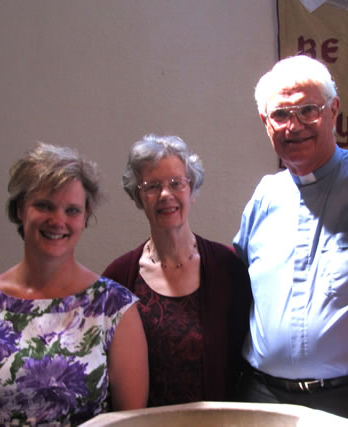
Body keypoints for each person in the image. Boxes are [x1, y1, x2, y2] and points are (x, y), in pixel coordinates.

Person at [232, 55, 348, 426]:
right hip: (263, 398)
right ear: (265, 122)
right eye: (281, 115)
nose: (295, 126)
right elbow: (236, 280)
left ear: (334, 110)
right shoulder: (264, 195)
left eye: (308, 110)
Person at [0, 143, 149, 426]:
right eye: (44, 206)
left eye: (72, 210)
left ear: (85, 216)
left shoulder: (115, 307)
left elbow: (130, 422)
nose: (58, 220)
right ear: (19, 210)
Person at [103, 134, 252, 406]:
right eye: (152, 186)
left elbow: (247, 362)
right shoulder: (118, 279)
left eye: (176, 183)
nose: (165, 195)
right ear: (138, 196)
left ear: (191, 189)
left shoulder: (229, 268)